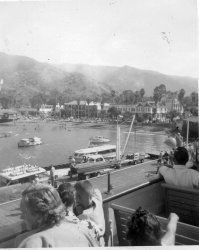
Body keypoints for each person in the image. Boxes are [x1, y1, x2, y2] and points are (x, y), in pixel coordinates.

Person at [15, 183, 100, 247]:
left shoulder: (33, 243)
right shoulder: (83, 230)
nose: (21, 217)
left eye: (24, 213)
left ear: (38, 215)